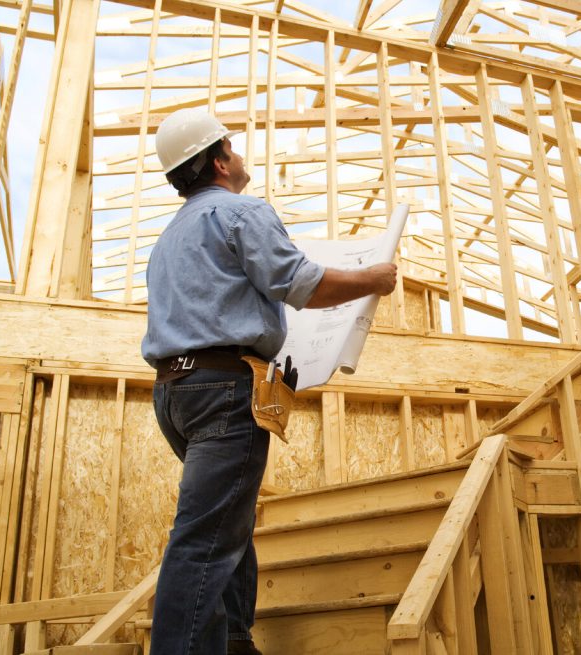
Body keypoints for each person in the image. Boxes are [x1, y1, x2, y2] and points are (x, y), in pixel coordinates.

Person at [141, 108, 397, 655]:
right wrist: (374, 277)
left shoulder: (169, 238)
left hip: (174, 395)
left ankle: (233, 639)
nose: (237, 156)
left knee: (225, 520)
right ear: (218, 160)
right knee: (202, 538)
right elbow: (302, 284)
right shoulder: (240, 212)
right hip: (223, 389)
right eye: (230, 147)